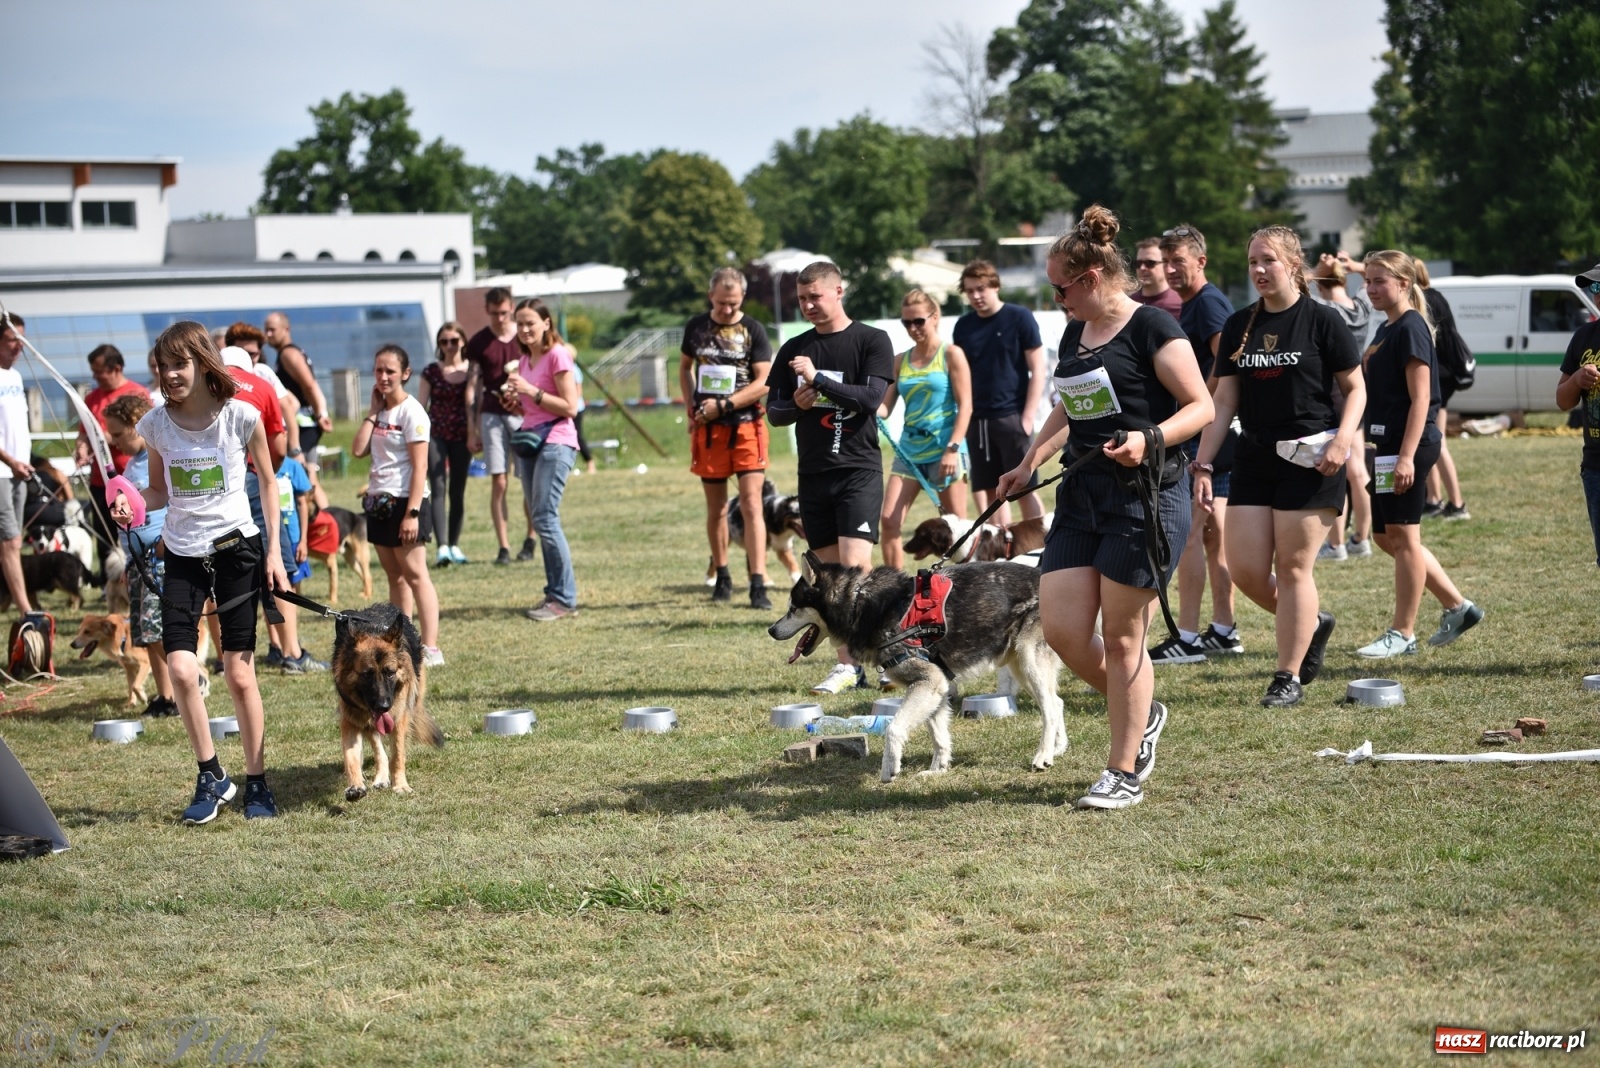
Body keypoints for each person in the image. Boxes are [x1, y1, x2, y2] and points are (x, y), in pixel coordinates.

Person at [996, 206, 1212, 810]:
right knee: (1064, 631)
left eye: (1060, 287)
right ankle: (1144, 708)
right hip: (1082, 497)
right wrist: (1028, 461)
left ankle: (1123, 770)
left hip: (1144, 498)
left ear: (1091, 277)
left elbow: (1202, 407)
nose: (1056, 298)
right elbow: (1069, 406)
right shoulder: (1076, 330)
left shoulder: (1153, 331)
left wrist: (1151, 438)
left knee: (1122, 639)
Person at [110, 321, 291, 823]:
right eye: (163, 365)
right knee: (183, 668)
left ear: (202, 362)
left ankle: (257, 782)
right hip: (181, 555)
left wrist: (274, 553)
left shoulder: (240, 416)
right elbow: (159, 493)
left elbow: (270, 485)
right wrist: (133, 506)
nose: (170, 374)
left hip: (238, 550)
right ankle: (211, 775)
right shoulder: (155, 425)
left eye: (179, 363)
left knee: (238, 672)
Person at [1191, 227, 1366, 707]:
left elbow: (1356, 390)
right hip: (1254, 457)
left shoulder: (1322, 321)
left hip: (1312, 459)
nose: (1259, 270)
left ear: (1293, 264)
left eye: (1268, 260)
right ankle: (1312, 621)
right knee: (1245, 570)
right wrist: (1202, 464)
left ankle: (1286, 676)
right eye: (1252, 262)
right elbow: (1223, 400)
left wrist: (1344, 442)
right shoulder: (1239, 325)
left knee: (1292, 569)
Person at [767, 261, 896, 694]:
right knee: (826, 579)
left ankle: (878, 654)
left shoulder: (871, 340)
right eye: (801, 299)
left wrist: (818, 379)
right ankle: (846, 665)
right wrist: (799, 405)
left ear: (838, 292)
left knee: (857, 571)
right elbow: (775, 412)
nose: (807, 306)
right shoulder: (793, 348)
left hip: (857, 470)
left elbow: (872, 399)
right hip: (814, 475)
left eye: (814, 297)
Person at [1355, 251, 1483, 658]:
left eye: (1381, 281)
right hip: (1386, 446)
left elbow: (1422, 398)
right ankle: (1457, 606)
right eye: (1369, 281)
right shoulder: (1387, 326)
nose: (1372, 288)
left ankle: (1402, 632)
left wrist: (1407, 456)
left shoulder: (1411, 326)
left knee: (1405, 538)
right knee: (1383, 535)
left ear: (1405, 284)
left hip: (1407, 446)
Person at [1149, 223, 1239, 665]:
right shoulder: (1196, 304)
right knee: (1212, 539)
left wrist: (1198, 409)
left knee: (1190, 538)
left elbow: (1228, 366)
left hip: (1209, 436)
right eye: (1166, 262)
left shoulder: (1207, 304)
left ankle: (1186, 636)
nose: (1169, 270)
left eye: (1177, 261)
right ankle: (1223, 629)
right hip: (1214, 433)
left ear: (1200, 261)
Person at [678, 268, 774, 608]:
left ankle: (758, 582)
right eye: (720, 303)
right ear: (710, 296)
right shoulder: (696, 326)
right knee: (716, 508)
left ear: (742, 299)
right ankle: (722, 574)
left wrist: (726, 405)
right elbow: (685, 368)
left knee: (751, 504)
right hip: (709, 430)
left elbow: (764, 382)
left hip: (747, 425)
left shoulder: (754, 330)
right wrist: (693, 407)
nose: (727, 310)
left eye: (733, 304)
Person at [352, 345, 443, 664]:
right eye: (378, 370)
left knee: (416, 574)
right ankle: (403, 641)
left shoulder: (412, 411)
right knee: (395, 577)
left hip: (407, 500)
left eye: (390, 371)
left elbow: (420, 467)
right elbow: (358, 449)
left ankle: (430, 648)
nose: (383, 377)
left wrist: (413, 513)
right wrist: (372, 412)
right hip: (379, 501)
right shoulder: (380, 411)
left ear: (405, 374)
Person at [878, 288, 972, 570]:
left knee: (956, 530)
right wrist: (858, 401)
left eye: (918, 321)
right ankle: (893, 591)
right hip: (909, 452)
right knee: (889, 520)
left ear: (935, 317)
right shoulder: (899, 360)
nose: (913, 328)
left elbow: (966, 406)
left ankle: (961, 592)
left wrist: (952, 449)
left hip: (946, 450)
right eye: (906, 323)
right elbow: (884, 407)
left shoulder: (951, 354)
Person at [505, 299, 583, 622]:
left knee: (546, 517)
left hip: (557, 442)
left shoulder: (557, 355)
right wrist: (516, 403)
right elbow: (533, 410)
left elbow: (570, 407)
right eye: (519, 324)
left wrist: (531, 391)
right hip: (532, 441)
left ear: (547, 324)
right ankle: (553, 594)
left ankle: (564, 598)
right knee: (540, 519)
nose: (524, 330)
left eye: (530, 323)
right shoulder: (525, 360)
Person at [952, 259, 1046, 526]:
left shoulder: (1020, 317)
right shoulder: (963, 326)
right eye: (969, 291)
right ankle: (1000, 553)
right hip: (978, 420)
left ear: (995, 285)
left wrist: (1027, 418)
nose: (976, 296)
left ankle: (1041, 548)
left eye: (981, 288)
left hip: (1012, 416)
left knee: (1023, 488)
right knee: (994, 493)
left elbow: (1038, 369)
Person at [102, 393, 175, 717]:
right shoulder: (132, 465)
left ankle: (172, 695)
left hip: (158, 560)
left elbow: (173, 501)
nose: (114, 441)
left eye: (118, 434)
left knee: (157, 630)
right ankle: (164, 695)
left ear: (137, 426)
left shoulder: (160, 457)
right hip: (138, 560)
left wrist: (165, 540)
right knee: (147, 634)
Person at [1308, 255, 1376, 561]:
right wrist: (1355, 266)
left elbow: (1294, 290)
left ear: (1322, 285)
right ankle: (1361, 538)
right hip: (1357, 392)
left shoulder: (1326, 310)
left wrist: (1316, 273)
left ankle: (1335, 545)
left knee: (1334, 470)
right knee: (1358, 470)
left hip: (1333, 393)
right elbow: (1366, 282)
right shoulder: (1360, 307)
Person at [465, 288, 536, 566]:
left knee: (527, 478)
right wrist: (472, 427)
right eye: (494, 313)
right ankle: (503, 546)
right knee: (499, 480)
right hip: (491, 412)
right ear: (487, 310)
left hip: (523, 412)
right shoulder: (480, 342)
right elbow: (472, 385)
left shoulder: (524, 336)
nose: (500, 318)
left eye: (504, 312)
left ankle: (530, 538)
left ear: (512, 308)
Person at [75, 344, 149, 558]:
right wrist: (82, 447)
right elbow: (83, 433)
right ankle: (109, 587)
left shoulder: (137, 394)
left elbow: (143, 433)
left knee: (133, 531)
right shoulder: (92, 398)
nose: (95, 377)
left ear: (116, 368)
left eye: (99, 371)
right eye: (93, 372)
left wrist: (104, 440)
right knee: (104, 537)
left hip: (131, 477)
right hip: (102, 481)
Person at [1416, 259, 1471, 520]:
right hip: (1444, 375)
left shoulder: (1424, 301)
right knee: (1429, 439)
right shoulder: (1437, 296)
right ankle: (1434, 499)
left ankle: (1457, 504)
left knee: (1437, 442)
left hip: (1438, 377)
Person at [421, 321, 474, 567]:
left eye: (454, 340)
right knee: (438, 486)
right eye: (444, 342)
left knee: (458, 490)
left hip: (463, 434)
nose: (450, 346)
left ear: (463, 341)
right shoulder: (431, 371)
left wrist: (475, 434)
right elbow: (421, 406)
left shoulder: (472, 370)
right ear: (439, 345)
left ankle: (454, 543)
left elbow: (476, 402)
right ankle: (442, 546)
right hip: (436, 433)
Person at [1557, 262, 1600, 568]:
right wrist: (1575, 380)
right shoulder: (1585, 336)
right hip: (1596, 466)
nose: (1597, 295)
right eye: (1595, 288)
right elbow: (1562, 401)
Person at [0, 315, 36, 616]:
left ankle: (14, 599)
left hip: (20, 470)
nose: (19, 347)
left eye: (21, 340)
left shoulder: (16, 378)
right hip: (3, 470)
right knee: (11, 540)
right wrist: (10, 461)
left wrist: (23, 461)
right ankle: (26, 609)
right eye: (13, 340)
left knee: (13, 540)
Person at [227, 322, 302, 463]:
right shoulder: (218, 377)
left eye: (251, 354)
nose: (245, 359)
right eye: (240, 352)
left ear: (260, 353)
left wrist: (295, 449)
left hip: (263, 453)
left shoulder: (264, 373)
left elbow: (287, 407)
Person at [263, 312, 333, 463]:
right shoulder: (289, 352)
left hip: (303, 423)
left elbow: (309, 385)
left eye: (272, 330)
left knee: (303, 477)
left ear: (286, 329)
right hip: (305, 422)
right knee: (308, 479)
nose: (268, 334)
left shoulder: (288, 354)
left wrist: (321, 414)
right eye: (266, 330)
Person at [1129, 237, 1182, 321]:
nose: (1142, 268)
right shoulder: (1129, 304)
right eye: (1138, 263)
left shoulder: (1180, 304)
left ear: (1165, 264)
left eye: (1150, 263)